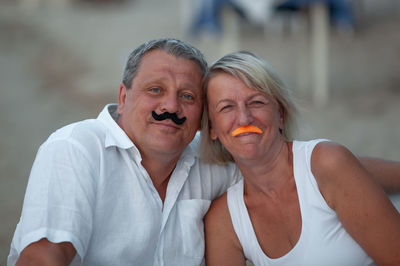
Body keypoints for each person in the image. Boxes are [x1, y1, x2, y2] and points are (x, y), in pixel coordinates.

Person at [7, 38, 400, 266]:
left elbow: (302, 167)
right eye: (155, 90)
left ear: (200, 121)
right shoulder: (77, 148)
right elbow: (45, 256)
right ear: (123, 97)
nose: (171, 106)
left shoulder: (212, 163)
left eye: (188, 96)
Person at [202, 51, 400, 265]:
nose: (243, 117)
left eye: (256, 102)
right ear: (212, 128)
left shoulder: (327, 163)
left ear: (280, 115)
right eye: (226, 107)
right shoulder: (224, 221)